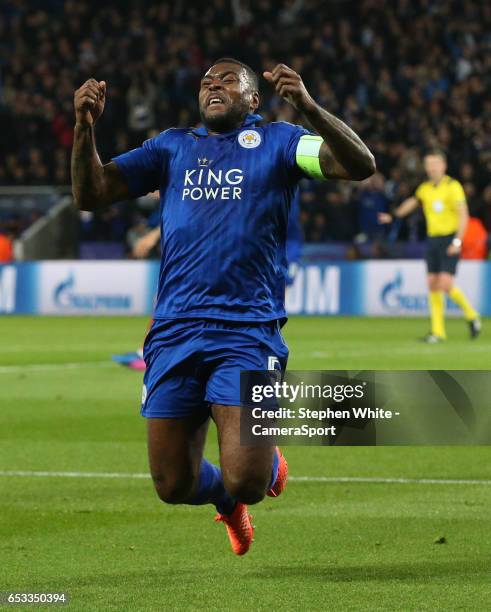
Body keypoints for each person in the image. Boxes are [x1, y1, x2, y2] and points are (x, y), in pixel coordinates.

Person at [71, 58, 375, 555]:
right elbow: (91, 193)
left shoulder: (280, 141)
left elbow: (359, 165)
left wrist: (309, 107)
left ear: (254, 100)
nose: (213, 86)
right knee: (172, 485)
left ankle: (262, 468)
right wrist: (84, 129)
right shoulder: (170, 147)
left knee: (249, 480)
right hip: (174, 331)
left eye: (228, 81)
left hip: (247, 331)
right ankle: (227, 507)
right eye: (207, 82)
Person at [379, 149, 481, 342]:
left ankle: (472, 315)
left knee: (445, 283)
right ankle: (438, 332)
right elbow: (412, 202)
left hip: (449, 238)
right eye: (429, 165)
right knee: (433, 284)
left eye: (435, 164)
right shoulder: (425, 188)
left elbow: (463, 215)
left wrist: (457, 241)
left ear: (443, 165)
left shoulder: (453, 186)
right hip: (433, 240)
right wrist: (393, 216)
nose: (432, 168)